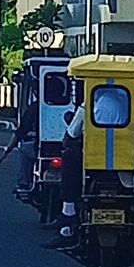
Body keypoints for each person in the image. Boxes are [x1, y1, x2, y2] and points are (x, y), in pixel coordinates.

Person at [42, 98, 85, 251]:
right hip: (128, 165)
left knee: (69, 155)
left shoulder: (88, 105)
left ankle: (68, 216)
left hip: (94, 166)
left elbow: (72, 134)